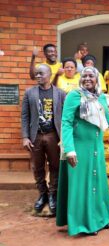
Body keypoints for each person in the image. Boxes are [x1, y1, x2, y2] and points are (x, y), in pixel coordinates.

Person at [56, 66, 109, 236]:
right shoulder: (74, 96)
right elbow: (66, 123)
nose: (87, 78)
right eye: (84, 76)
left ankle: (100, 219)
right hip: (79, 147)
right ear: (80, 79)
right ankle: (84, 224)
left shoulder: (101, 97)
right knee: (82, 186)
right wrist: (70, 150)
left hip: (97, 147)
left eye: (91, 76)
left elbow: (107, 120)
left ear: (97, 79)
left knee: (97, 184)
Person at [21, 64, 66, 215]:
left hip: (54, 136)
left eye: (41, 73)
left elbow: (66, 118)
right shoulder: (29, 92)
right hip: (36, 136)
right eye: (36, 74)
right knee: (37, 167)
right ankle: (43, 194)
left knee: (55, 166)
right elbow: (25, 116)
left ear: (49, 74)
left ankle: (53, 194)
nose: (38, 76)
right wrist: (25, 137)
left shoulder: (60, 93)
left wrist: (64, 137)